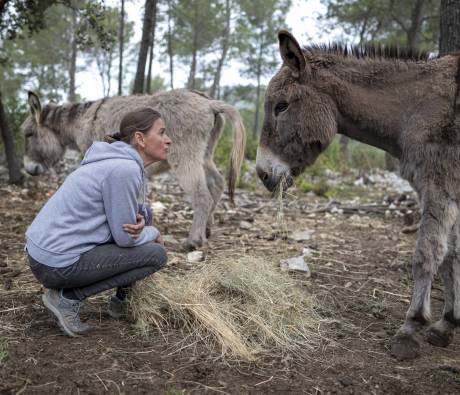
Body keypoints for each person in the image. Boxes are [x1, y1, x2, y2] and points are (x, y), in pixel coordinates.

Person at [25, 107, 172, 337]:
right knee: (156, 255)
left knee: (144, 212)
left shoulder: (115, 160)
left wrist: (143, 222)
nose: (168, 140)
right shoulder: (124, 169)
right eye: (162, 133)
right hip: (55, 263)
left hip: (42, 253)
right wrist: (152, 233)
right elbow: (124, 239)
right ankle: (67, 298)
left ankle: (121, 302)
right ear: (140, 138)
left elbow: (122, 226)